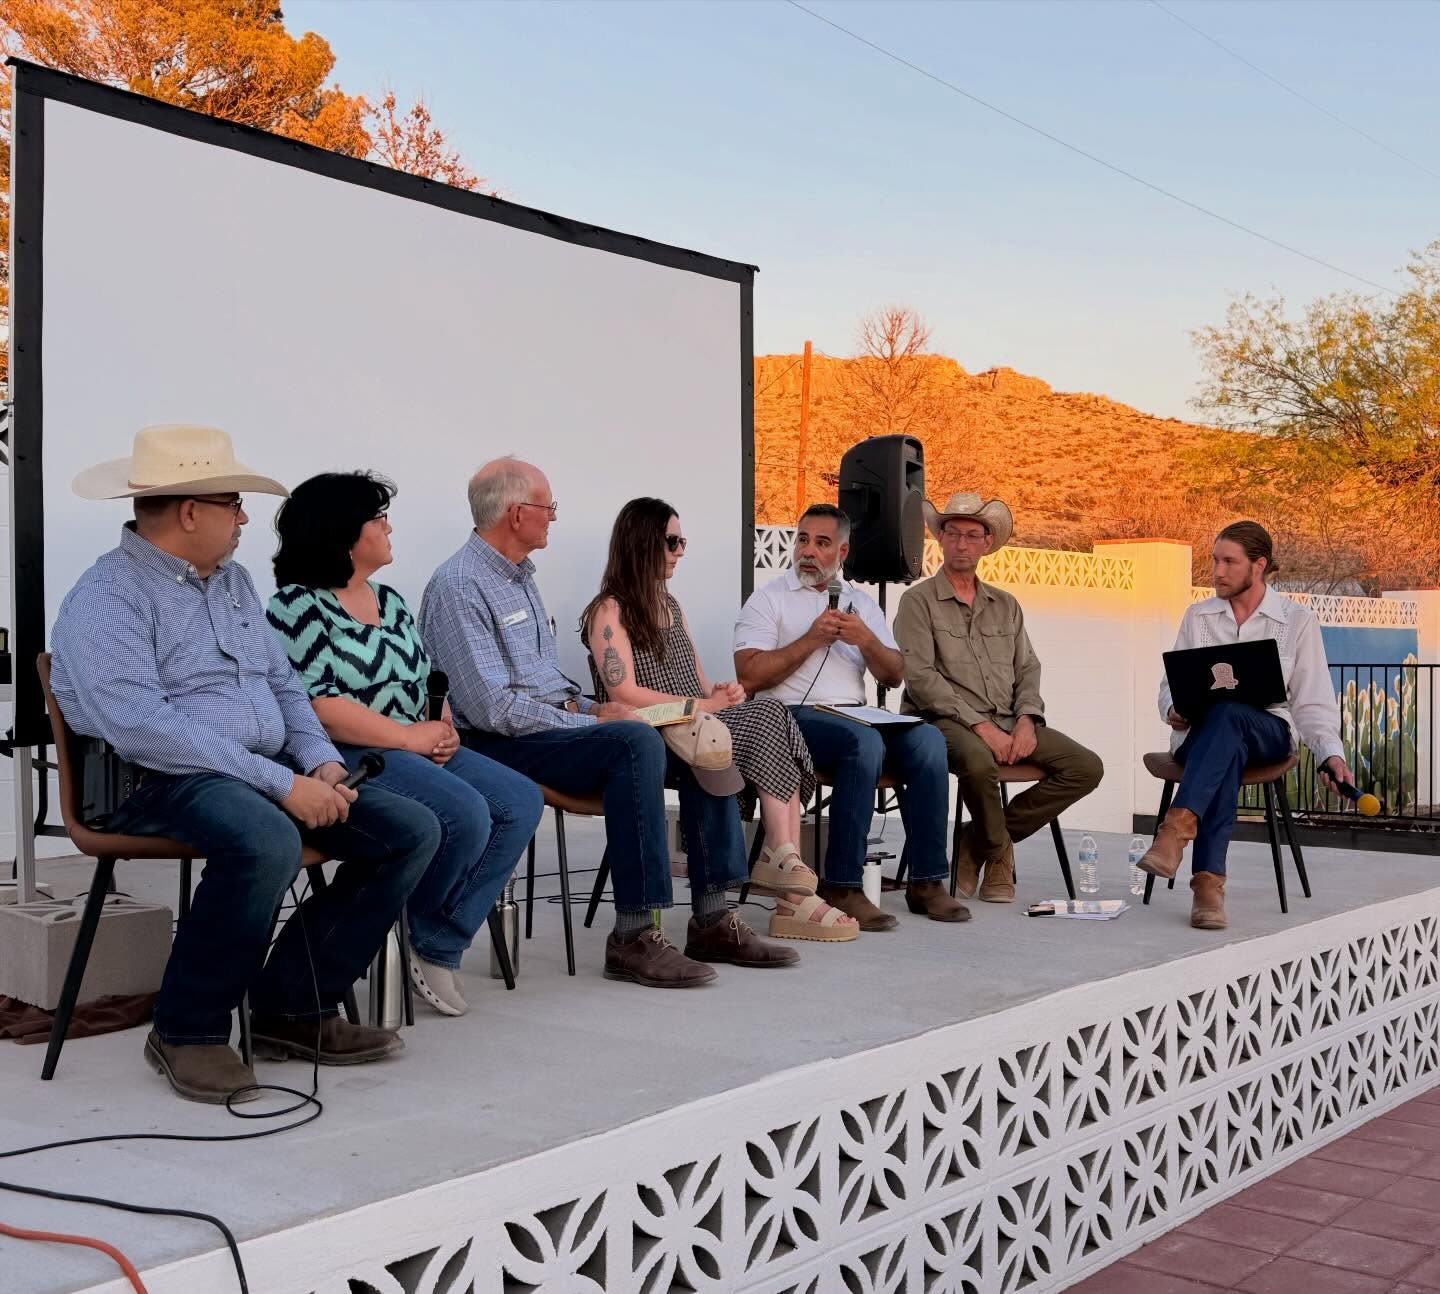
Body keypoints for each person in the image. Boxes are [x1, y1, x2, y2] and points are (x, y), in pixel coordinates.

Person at [49, 426, 441, 1104]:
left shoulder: (232, 582)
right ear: (191, 512)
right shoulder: (106, 599)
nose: (245, 518)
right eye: (233, 504)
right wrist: (280, 783)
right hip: (155, 781)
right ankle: (187, 1032)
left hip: (259, 770)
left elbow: (284, 685)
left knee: (412, 829)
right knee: (267, 838)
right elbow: (146, 729)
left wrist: (317, 763)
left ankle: (291, 1005)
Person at [419, 458, 794, 985]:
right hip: (496, 743)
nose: (552, 516)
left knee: (698, 742)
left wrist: (594, 709)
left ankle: (712, 916)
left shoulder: (520, 578)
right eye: (547, 506)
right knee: (634, 741)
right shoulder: (460, 585)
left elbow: (547, 682)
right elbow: (493, 711)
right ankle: (634, 936)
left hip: (550, 726)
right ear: (515, 512)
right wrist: (593, 721)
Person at [266, 471, 544, 1016]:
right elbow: (317, 705)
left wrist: (440, 727)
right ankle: (401, 931)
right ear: (343, 531)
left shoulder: (390, 601)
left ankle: (434, 936)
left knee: (519, 801)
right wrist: (408, 738)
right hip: (348, 754)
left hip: (412, 743)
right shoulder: (296, 607)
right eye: (378, 518)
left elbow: (422, 680)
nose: (390, 528)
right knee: (465, 812)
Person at [583, 497, 854, 943]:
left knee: (768, 709)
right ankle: (783, 862)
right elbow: (624, 693)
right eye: (672, 541)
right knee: (769, 714)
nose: (680, 550)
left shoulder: (670, 604)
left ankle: (783, 859)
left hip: (694, 723)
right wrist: (701, 707)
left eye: (682, 541)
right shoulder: (609, 611)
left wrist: (719, 694)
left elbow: (698, 679)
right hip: (651, 729)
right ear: (643, 542)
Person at [733, 503, 967, 930]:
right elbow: (748, 674)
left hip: (859, 714)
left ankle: (928, 882)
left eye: (822, 543)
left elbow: (895, 674)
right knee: (863, 743)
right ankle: (842, 884)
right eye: (802, 539)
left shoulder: (859, 603)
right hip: (789, 717)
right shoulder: (770, 599)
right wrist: (811, 638)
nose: (808, 551)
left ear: (841, 553)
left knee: (930, 740)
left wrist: (867, 642)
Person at [1139, 521, 1353, 930]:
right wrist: (1173, 709)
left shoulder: (1296, 621)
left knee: (1230, 714)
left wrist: (1330, 753)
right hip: (1200, 734)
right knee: (1225, 738)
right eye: (1214, 560)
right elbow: (1170, 684)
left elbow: (1312, 700)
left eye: (1228, 562)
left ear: (1259, 565)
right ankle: (1207, 885)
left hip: (1268, 733)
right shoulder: (1198, 616)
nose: (1217, 571)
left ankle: (1176, 829)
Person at [893, 491, 1103, 903]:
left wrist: (1027, 719)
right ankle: (1000, 856)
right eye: (953, 533)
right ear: (940, 538)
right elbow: (919, 677)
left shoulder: (1006, 605)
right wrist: (981, 726)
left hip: (1010, 718)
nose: (962, 544)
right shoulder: (917, 601)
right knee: (976, 758)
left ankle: (976, 840)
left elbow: (1028, 668)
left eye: (973, 535)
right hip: (943, 721)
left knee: (1085, 767)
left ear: (987, 543)